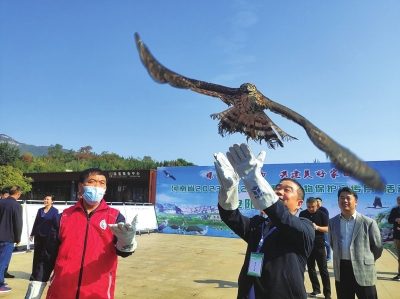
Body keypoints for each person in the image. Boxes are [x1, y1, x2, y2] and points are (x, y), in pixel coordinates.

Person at [214, 143, 314, 299]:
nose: (279, 191)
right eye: (278, 187)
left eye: (287, 190)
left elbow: (282, 217)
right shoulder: (259, 224)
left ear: (299, 203)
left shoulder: (305, 228)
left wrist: (253, 177)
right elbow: (231, 217)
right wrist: (229, 190)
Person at [25, 168, 138, 299]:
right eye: (92, 181)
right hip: (61, 291)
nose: (97, 186)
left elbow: (124, 253)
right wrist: (34, 291)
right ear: (80, 187)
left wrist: (127, 242)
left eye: (102, 183)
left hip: (97, 292)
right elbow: (48, 257)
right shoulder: (63, 217)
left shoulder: (115, 217)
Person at [328, 187, 383, 299]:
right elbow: (333, 243)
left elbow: (377, 247)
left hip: (363, 270)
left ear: (356, 201)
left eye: (348, 198)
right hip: (342, 270)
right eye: (341, 198)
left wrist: (366, 260)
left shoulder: (368, 222)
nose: (344, 201)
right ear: (338, 201)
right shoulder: (332, 222)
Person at [299, 197, 331, 299]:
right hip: (308, 244)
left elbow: (327, 229)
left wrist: (316, 227)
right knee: (311, 268)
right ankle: (316, 290)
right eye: (308, 207)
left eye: (313, 207)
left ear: (317, 205)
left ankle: (327, 293)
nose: (311, 209)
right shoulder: (302, 214)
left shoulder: (322, 214)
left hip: (319, 244)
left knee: (323, 269)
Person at [0, 186, 23, 293]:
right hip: (8, 237)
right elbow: (17, 223)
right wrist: (18, 238)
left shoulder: (1, 202)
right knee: (3, 262)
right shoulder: (16, 205)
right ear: (18, 194)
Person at [29, 195, 59, 274]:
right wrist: (32, 234)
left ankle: (42, 273)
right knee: (37, 254)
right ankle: (34, 273)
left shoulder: (55, 211)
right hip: (38, 235)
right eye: (45, 199)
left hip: (48, 236)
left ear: (52, 201)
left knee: (45, 255)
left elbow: (55, 224)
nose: (45, 200)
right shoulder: (40, 210)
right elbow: (36, 222)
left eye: (48, 199)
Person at [0, 187, 14, 279]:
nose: (7, 196)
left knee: (5, 257)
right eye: (5, 195)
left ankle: (4, 272)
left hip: (7, 235)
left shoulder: (10, 205)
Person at [388, 196, 400, 281]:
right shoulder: (394, 210)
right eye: (398, 200)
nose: (399, 201)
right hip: (397, 236)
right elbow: (389, 220)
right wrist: (395, 219)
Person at [316, 197, 332, 262]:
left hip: (324, 229)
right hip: (317, 229)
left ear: (321, 202)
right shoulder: (314, 209)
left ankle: (328, 258)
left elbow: (326, 219)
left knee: (327, 244)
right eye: (316, 201)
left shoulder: (323, 209)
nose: (317, 202)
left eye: (318, 201)